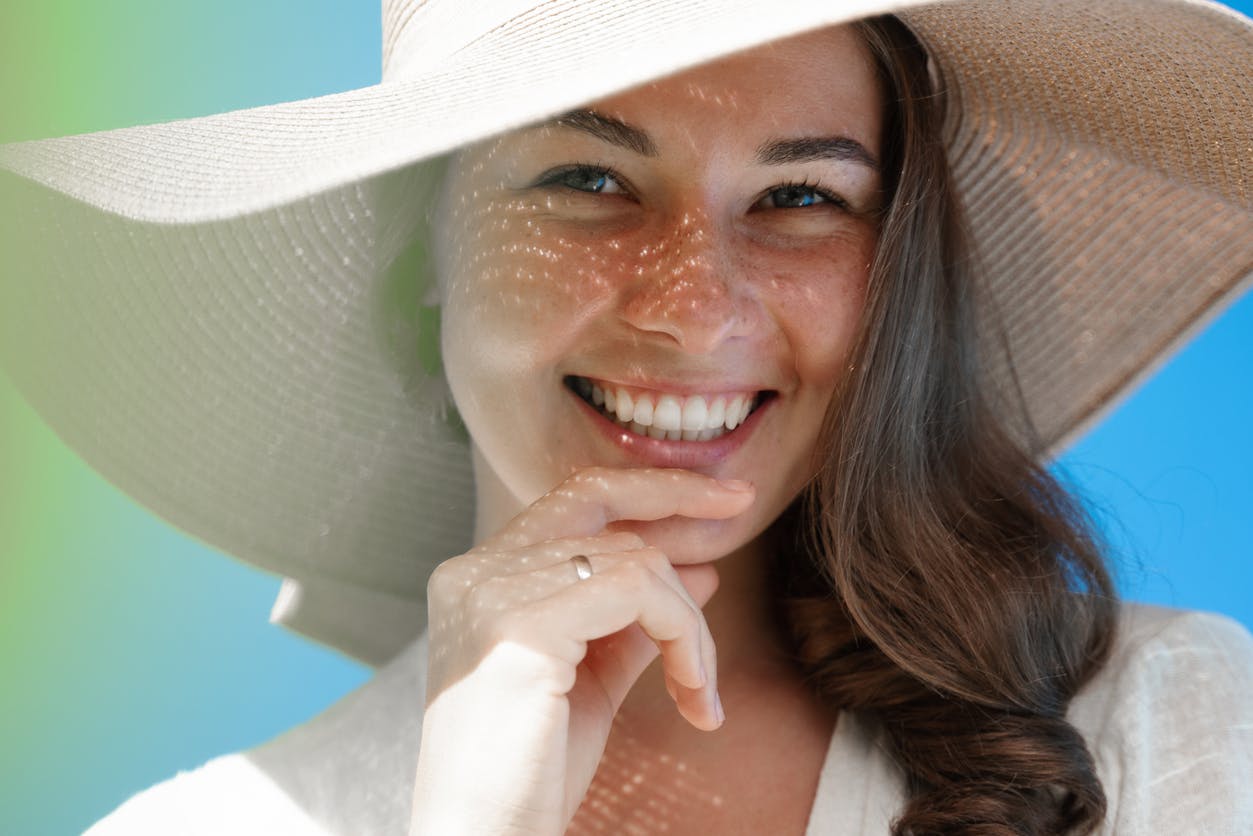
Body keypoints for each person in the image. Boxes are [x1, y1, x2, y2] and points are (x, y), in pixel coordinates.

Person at [1, 1, 1251, 834]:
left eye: (803, 194)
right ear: (422, 242)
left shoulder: (1166, 722)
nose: (697, 311)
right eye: (586, 178)